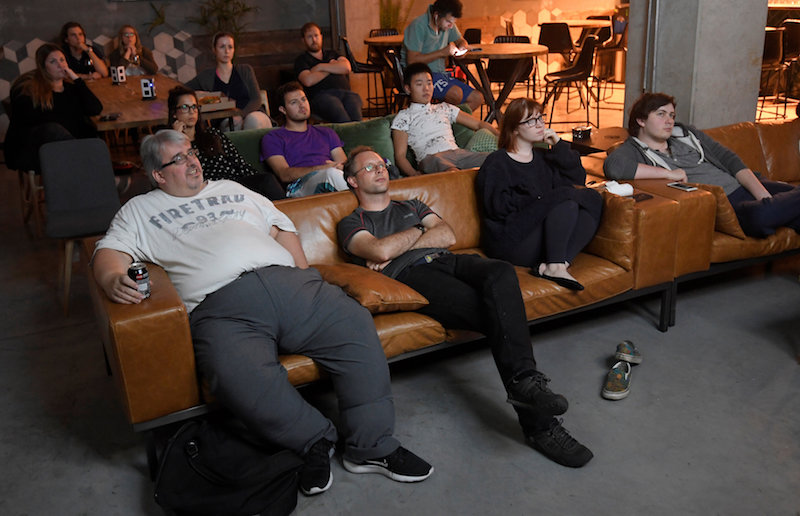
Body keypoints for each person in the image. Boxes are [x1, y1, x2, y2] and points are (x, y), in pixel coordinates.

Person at [93, 129, 433, 496]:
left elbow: (281, 227)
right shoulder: (140, 210)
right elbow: (109, 252)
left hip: (291, 285)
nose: (192, 161)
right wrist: (112, 277)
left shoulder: (231, 189)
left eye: (191, 153)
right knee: (235, 373)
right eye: (179, 159)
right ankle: (313, 440)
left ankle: (371, 446)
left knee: (355, 326)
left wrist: (304, 277)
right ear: (158, 175)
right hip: (221, 307)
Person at [338, 145, 594, 469]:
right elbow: (376, 249)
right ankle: (540, 423)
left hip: (451, 261)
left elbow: (447, 234)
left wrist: (408, 238)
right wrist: (416, 235)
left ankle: (526, 386)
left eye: (382, 163)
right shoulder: (351, 222)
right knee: (497, 313)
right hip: (416, 276)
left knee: (500, 271)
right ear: (352, 181)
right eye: (369, 167)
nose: (380, 169)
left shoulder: (412, 204)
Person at [604, 92, 800, 238]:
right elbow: (614, 166)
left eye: (672, 115)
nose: (669, 121)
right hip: (728, 204)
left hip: (750, 186)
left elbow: (729, 160)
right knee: (760, 216)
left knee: (779, 209)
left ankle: (776, 210)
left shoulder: (687, 134)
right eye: (661, 114)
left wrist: (762, 193)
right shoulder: (634, 149)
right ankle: (775, 211)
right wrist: (668, 174)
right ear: (641, 120)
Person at [476, 98, 603, 291]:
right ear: (515, 128)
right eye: (531, 121)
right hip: (511, 241)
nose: (540, 124)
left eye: (540, 118)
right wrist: (540, 203)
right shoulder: (497, 162)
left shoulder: (544, 158)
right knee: (564, 200)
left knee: (592, 199)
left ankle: (558, 264)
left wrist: (559, 145)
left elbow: (577, 180)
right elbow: (497, 208)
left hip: (543, 240)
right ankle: (555, 264)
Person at [167, 85, 284, 200]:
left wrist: (257, 180)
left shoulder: (213, 134)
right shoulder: (169, 144)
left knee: (267, 180)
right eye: (184, 107)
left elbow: (238, 162)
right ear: (174, 112)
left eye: (194, 107)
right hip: (209, 193)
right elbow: (176, 176)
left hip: (235, 184)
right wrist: (177, 139)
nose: (191, 112)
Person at [4, 43, 102, 172]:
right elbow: (30, 125)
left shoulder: (71, 88)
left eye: (62, 60)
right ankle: (104, 179)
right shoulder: (32, 91)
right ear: (44, 67)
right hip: (41, 150)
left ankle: (96, 177)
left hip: (70, 149)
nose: (60, 65)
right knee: (53, 130)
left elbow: (95, 109)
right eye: (53, 61)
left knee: (93, 140)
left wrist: (76, 79)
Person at [391, 62, 497, 176]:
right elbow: (400, 156)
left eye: (429, 83)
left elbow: (479, 125)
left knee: (497, 160)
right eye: (419, 84)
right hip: (431, 158)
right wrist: (415, 175)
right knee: (451, 172)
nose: (426, 89)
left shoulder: (444, 108)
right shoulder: (404, 117)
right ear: (408, 89)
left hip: (458, 154)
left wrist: (502, 135)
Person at [261, 81, 349, 197]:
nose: (302, 105)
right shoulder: (273, 138)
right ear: (283, 110)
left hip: (332, 177)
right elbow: (284, 174)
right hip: (298, 186)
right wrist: (322, 168)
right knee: (331, 174)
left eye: (303, 99)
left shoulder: (326, 132)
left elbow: (343, 164)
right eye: (294, 102)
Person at [402, 0, 483, 111]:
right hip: (419, 75)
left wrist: (462, 46)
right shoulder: (418, 25)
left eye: (453, 23)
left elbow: (460, 40)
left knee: (477, 98)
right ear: (436, 15)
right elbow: (412, 61)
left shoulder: (448, 24)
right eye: (448, 22)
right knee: (456, 94)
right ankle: (440, 123)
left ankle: (449, 125)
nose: (451, 26)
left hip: (441, 74)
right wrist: (442, 52)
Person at [186, 32, 270, 131]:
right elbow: (183, 89)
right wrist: (199, 94)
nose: (226, 51)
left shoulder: (245, 70)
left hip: (253, 113)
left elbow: (256, 99)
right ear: (214, 50)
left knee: (252, 120)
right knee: (230, 125)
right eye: (222, 47)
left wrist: (239, 115)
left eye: (230, 47)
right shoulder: (206, 76)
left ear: (234, 50)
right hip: (226, 119)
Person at [295, 22, 362, 123]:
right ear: (303, 40)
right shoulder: (302, 60)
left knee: (357, 119)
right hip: (322, 96)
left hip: (347, 93)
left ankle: (356, 137)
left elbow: (347, 67)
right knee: (343, 119)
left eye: (316, 35)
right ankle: (346, 138)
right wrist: (333, 67)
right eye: (309, 37)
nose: (314, 40)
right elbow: (308, 80)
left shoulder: (333, 53)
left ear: (321, 37)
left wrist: (320, 67)